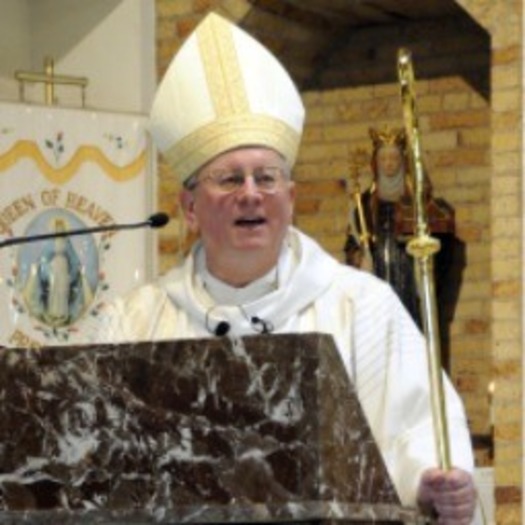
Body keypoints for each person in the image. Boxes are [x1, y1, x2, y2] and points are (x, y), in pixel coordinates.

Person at [99, 12, 477, 524]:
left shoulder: (361, 307)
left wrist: (432, 482)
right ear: (189, 208)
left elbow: (417, 433)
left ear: (291, 199)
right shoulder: (135, 323)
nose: (251, 193)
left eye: (267, 177)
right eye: (230, 179)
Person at [344, 127, 460, 368]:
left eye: (394, 158)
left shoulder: (419, 203)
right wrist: (360, 259)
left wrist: (422, 259)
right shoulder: (363, 206)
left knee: (410, 346)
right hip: (377, 283)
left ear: (404, 162)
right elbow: (352, 245)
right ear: (375, 163)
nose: (389, 164)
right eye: (383, 158)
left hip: (409, 284)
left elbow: (442, 247)